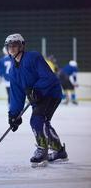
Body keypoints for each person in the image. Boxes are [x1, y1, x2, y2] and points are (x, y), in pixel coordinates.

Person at [4, 33, 68, 167]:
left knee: (37, 120)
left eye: (15, 45)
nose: (12, 48)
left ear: (22, 46)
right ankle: (59, 151)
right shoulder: (13, 72)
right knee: (43, 122)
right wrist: (14, 114)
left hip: (50, 93)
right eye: (9, 46)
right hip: (37, 97)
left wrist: (37, 89)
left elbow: (49, 77)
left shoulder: (33, 57)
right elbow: (17, 95)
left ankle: (42, 150)